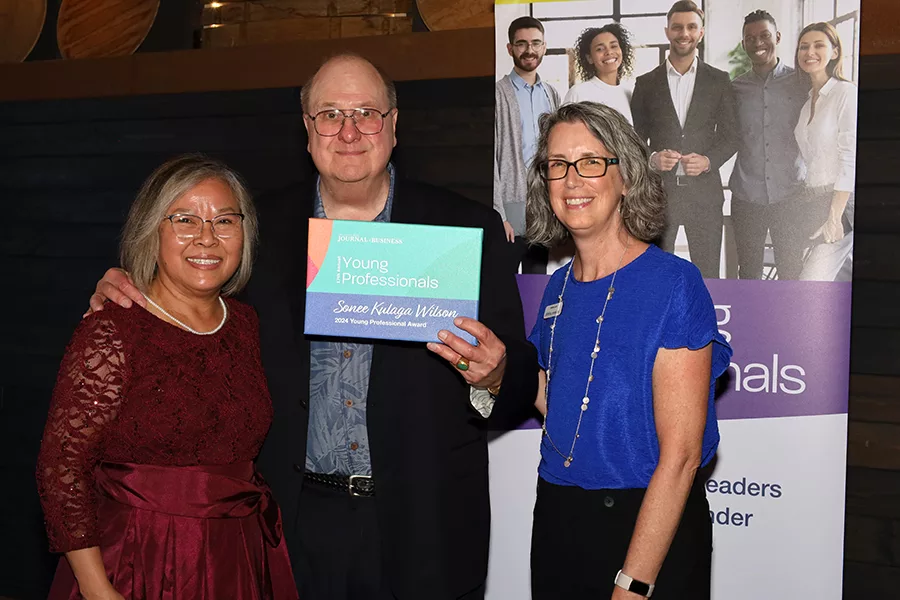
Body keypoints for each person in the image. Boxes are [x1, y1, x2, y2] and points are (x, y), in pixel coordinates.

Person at [87, 54, 538, 600]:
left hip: (425, 531)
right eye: (330, 114)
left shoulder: (466, 229)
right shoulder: (252, 232)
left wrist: (495, 376)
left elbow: (518, 387)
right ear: (307, 129)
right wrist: (133, 290)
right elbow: (188, 310)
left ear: (394, 125)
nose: (348, 131)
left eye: (366, 113)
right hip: (285, 527)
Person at [36, 155, 297, 600]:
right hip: (137, 560)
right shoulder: (113, 329)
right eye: (185, 220)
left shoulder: (248, 325)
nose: (207, 238)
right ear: (151, 230)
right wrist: (97, 589)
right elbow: (62, 467)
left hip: (237, 557)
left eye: (224, 221)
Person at [524, 102, 731, 599]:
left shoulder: (673, 284)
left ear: (626, 177)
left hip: (649, 525)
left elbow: (681, 457)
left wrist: (634, 582)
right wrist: (489, 368)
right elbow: (559, 403)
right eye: (558, 164)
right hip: (558, 515)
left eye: (591, 162)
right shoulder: (556, 288)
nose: (572, 179)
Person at [630, 0, 738, 278]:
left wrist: (708, 161)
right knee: (656, 274)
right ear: (667, 31)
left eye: (691, 27)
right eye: (677, 27)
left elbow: (731, 135)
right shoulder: (645, 83)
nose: (684, 33)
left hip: (705, 195)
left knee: (707, 273)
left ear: (701, 32)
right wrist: (653, 159)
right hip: (659, 196)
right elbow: (635, 139)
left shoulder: (719, 80)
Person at [730, 10, 809, 280]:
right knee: (748, 272)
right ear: (743, 43)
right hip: (746, 195)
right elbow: (727, 136)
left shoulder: (801, 83)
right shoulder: (735, 88)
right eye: (750, 38)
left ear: (777, 37)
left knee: (791, 270)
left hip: (791, 194)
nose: (758, 43)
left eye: (764, 35)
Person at [495, 16, 560, 274]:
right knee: (505, 281)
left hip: (543, 205)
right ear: (510, 48)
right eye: (521, 44)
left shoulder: (551, 94)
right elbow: (492, 160)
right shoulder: (498, 94)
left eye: (535, 43)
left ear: (544, 47)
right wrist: (500, 214)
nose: (529, 50)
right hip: (511, 206)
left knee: (537, 279)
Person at [794, 22, 857, 282]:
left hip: (840, 204)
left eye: (819, 45)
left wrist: (834, 217)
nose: (810, 52)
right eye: (804, 47)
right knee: (831, 283)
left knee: (810, 284)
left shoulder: (845, 93)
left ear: (835, 52)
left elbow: (850, 158)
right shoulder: (808, 102)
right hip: (813, 202)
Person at [563, 24, 635, 124]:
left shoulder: (628, 94)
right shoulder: (578, 93)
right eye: (600, 49)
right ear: (589, 58)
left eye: (613, 46)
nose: (609, 52)